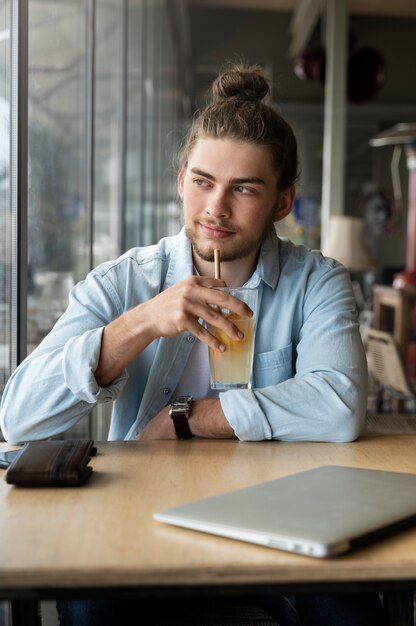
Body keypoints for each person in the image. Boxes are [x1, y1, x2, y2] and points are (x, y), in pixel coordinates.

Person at [0, 64, 384, 626]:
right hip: (138, 513)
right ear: (181, 181)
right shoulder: (125, 282)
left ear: (282, 202)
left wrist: (189, 417)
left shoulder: (316, 281)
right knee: (89, 607)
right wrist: (140, 325)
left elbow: (341, 404)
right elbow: (18, 419)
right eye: (203, 181)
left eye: (244, 188)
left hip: (280, 513)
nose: (216, 209)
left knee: (349, 612)